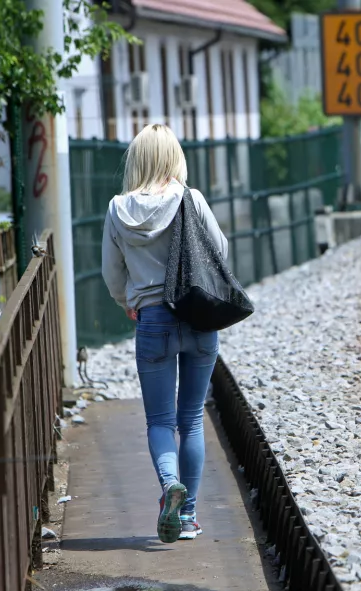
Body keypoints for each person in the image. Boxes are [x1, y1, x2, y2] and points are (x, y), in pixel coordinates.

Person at [101, 123, 229, 543]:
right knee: (190, 418)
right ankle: (188, 515)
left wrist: (129, 302)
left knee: (159, 420)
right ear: (174, 157)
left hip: (152, 320)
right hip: (196, 315)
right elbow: (220, 248)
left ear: (136, 160)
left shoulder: (118, 208)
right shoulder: (190, 199)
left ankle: (169, 483)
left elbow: (111, 273)